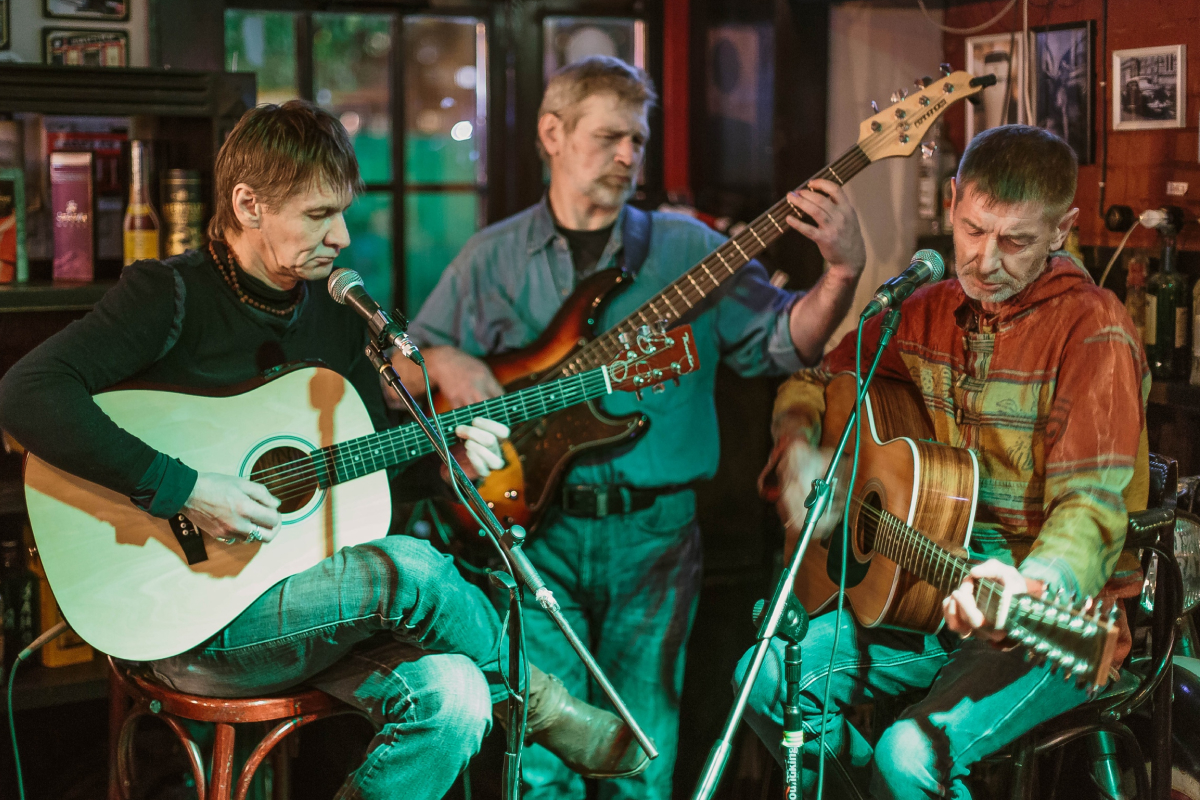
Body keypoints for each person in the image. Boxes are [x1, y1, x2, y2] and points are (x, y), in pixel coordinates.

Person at [0, 100, 650, 800]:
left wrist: (444, 470)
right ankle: (543, 703)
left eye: (342, 213)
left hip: (315, 610)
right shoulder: (170, 296)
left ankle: (516, 696)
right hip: (190, 622)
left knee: (458, 695)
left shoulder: (339, 317)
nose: (341, 236)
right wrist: (184, 487)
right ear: (248, 204)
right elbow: (26, 393)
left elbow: (362, 490)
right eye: (317, 216)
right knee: (413, 569)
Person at [400, 56, 868, 799]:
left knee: (642, 755)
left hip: (655, 538)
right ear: (552, 133)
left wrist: (842, 273)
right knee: (545, 757)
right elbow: (404, 373)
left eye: (639, 141)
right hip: (533, 537)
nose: (628, 157)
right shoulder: (490, 258)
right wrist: (448, 361)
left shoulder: (687, 249)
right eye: (610, 136)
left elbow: (786, 343)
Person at [739, 124, 1150, 798]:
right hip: (924, 593)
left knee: (907, 755)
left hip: (1047, 623)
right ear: (953, 200)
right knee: (762, 681)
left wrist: (1034, 582)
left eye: (1015, 241)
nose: (985, 260)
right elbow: (819, 378)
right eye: (972, 229)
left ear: (1062, 229)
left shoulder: (1093, 330)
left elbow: (1091, 508)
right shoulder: (923, 309)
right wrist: (799, 443)